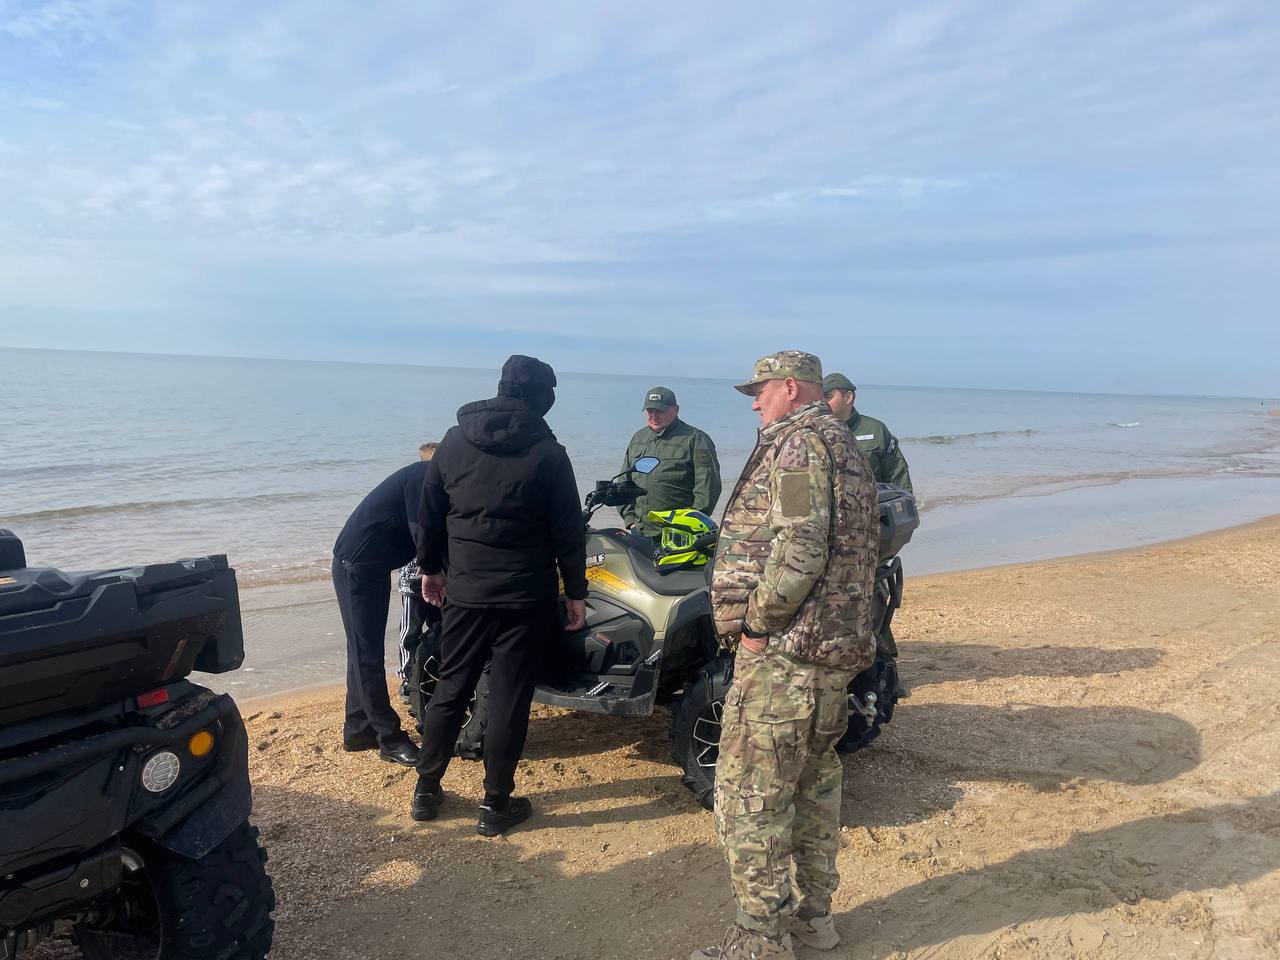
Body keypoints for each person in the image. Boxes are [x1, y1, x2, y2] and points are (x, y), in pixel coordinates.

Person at [693, 351, 879, 960]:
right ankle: (814, 920)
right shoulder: (844, 443)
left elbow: (801, 546)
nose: (754, 401)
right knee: (814, 784)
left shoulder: (800, 446)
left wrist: (756, 624)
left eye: (761, 390)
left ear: (791, 388)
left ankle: (760, 940)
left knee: (754, 795)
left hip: (788, 654)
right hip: (830, 651)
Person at [411, 355, 588, 836]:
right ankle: (494, 805)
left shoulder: (453, 440)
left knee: (452, 687)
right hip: (523, 596)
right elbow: (568, 531)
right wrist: (576, 592)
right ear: (543, 398)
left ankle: (426, 791)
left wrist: (430, 568)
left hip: (466, 590)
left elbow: (429, 513)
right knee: (509, 698)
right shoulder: (549, 453)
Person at [332, 460, 432, 766]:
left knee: (361, 651)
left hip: (372, 565)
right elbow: (422, 535)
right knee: (367, 656)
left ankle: (357, 729)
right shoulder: (421, 479)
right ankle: (389, 739)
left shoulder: (432, 478)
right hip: (356, 567)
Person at [620, 386, 722, 536]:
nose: (654, 416)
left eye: (660, 411)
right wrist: (630, 520)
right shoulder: (638, 438)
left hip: (678, 534)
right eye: (650, 411)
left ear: (676, 409)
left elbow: (708, 488)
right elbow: (623, 482)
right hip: (640, 531)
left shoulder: (695, 439)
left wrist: (688, 526)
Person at [396, 442, 441, 698]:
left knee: (436, 627)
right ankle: (406, 677)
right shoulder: (414, 494)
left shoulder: (439, 496)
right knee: (410, 632)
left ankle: (431, 672)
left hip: (435, 576)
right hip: (412, 580)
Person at [821, 373, 913, 492]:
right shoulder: (816, 431)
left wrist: (906, 499)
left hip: (871, 501)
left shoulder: (876, 430)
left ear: (848, 397)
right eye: (820, 398)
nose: (822, 402)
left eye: (828, 397)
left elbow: (898, 475)